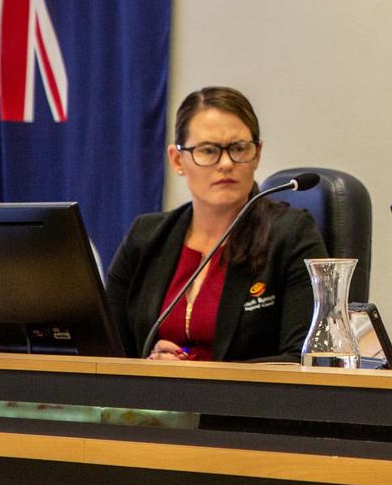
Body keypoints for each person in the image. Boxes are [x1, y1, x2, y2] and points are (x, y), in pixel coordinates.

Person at [106, 86, 326, 361]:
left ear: (257, 154)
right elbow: (106, 349)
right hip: (150, 402)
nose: (225, 163)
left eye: (238, 148)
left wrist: (198, 376)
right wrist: (151, 367)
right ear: (177, 160)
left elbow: (301, 360)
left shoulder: (290, 235)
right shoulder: (146, 237)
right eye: (208, 150)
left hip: (246, 404)